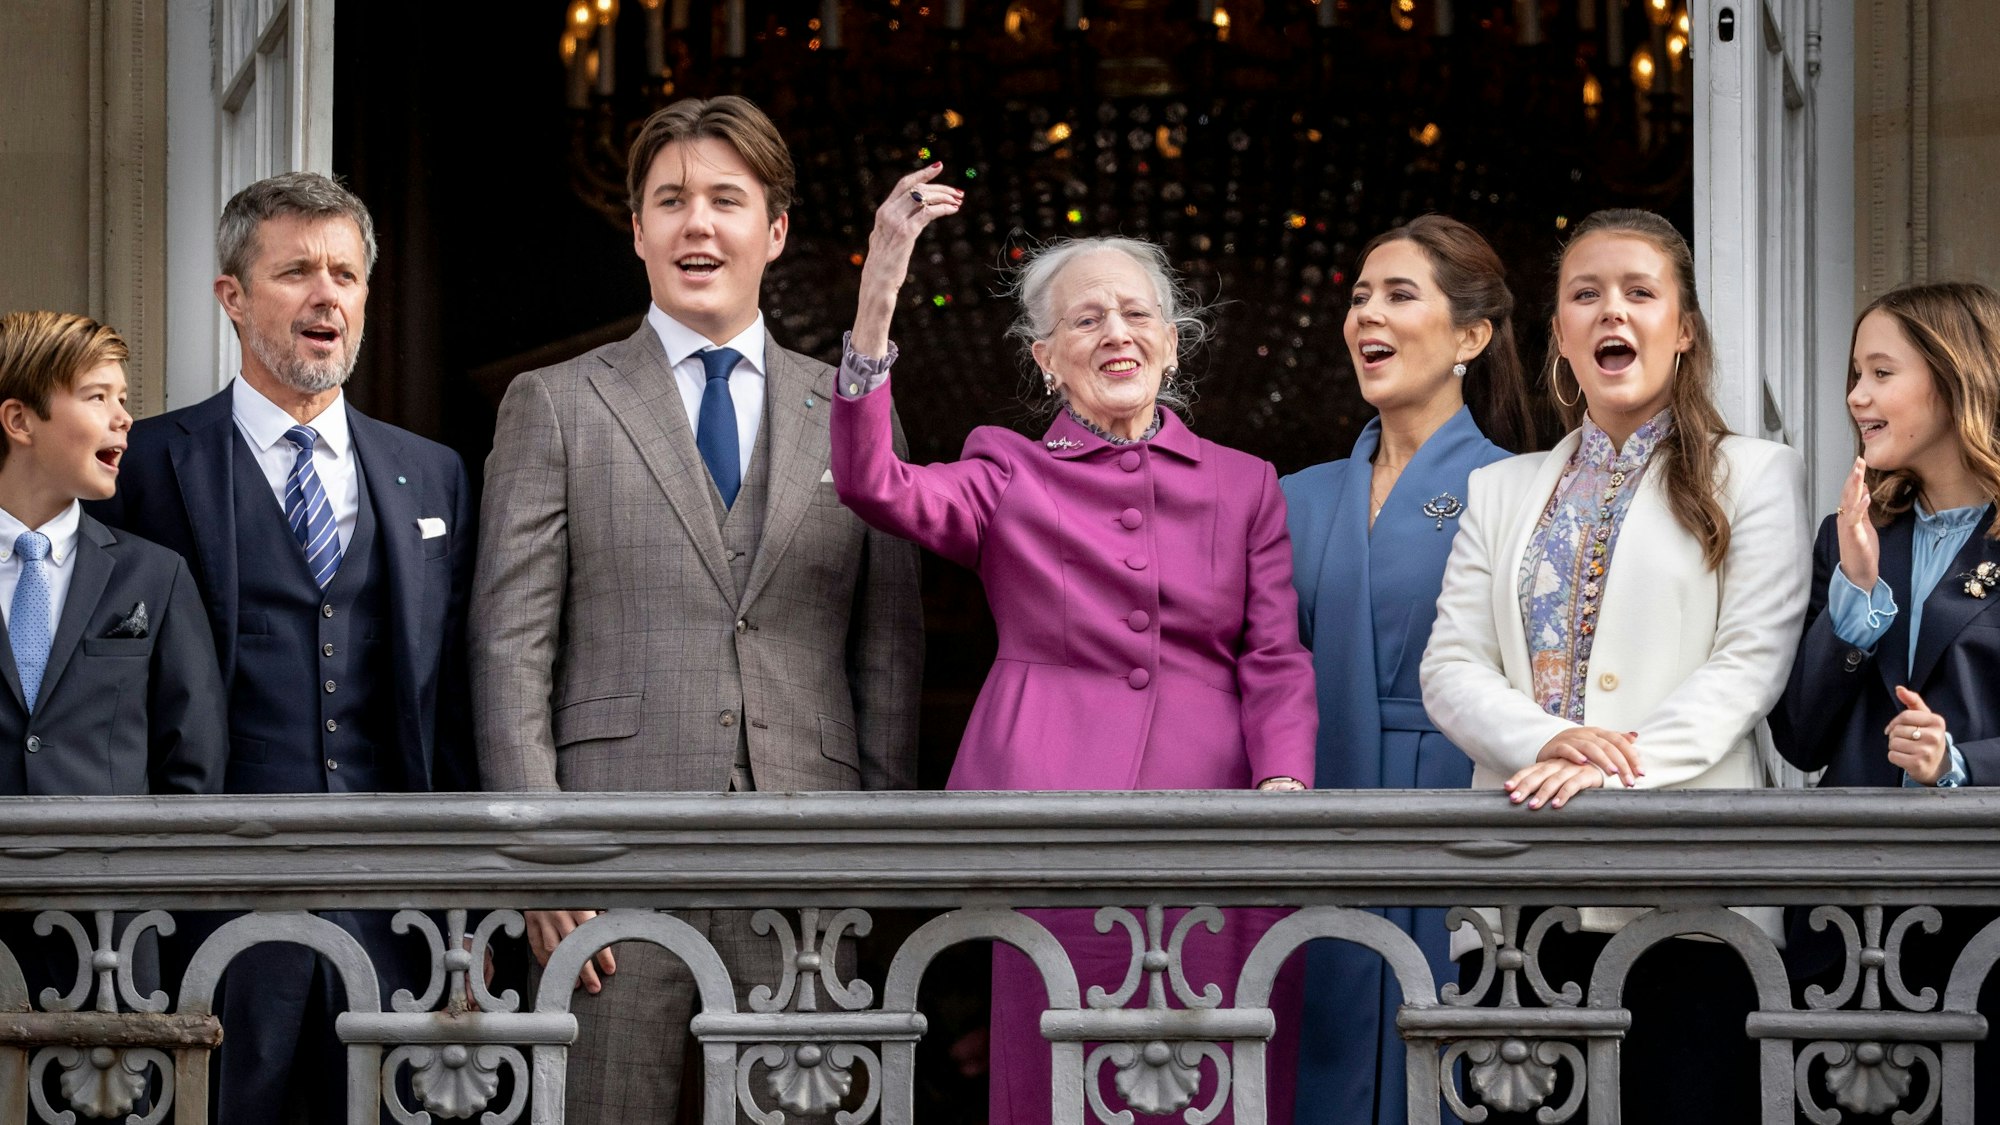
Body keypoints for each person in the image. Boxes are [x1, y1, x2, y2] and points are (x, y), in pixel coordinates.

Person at [830, 165, 1317, 1124]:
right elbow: (873, 482)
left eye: (1136, 315)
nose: (1115, 333)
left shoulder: (1245, 482)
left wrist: (1284, 784)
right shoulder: (1005, 470)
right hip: (1054, 821)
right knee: (1062, 1079)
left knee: (1222, 1079)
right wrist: (879, 294)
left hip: (1224, 821)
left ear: (1172, 343)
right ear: (1046, 359)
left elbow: (1273, 654)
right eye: (1086, 320)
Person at [471, 95, 923, 1124]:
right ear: (636, 230)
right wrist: (540, 855)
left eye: (726, 199)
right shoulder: (557, 402)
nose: (697, 224)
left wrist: (881, 850)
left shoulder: (854, 411)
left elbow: (889, 655)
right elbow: (509, 646)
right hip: (603, 857)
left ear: (775, 230)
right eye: (670, 201)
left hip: (808, 852)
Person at [88, 171, 478, 1125]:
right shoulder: (146, 464)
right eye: (296, 271)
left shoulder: (431, 472)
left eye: (345, 274)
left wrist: (473, 900)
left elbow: (457, 703)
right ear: (232, 295)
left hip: (395, 911)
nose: (326, 295)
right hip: (213, 906)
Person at [1418, 209, 1811, 1123]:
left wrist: (1609, 769)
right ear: (1560, 334)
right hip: (1520, 891)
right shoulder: (1499, 488)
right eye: (1585, 295)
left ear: (1685, 329)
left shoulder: (1757, 475)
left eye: (1641, 292)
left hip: (1689, 891)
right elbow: (1452, 665)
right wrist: (1551, 743)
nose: (1612, 312)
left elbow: (1749, 664)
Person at [1282, 216, 1534, 1125]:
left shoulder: (1522, 488)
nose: (1367, 315)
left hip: (1460, 816)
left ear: (1471, 336)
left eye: (1398, 294)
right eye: (1359, 298)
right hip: (1313, 817)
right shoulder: (1295, 496)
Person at [1771, 281, 2000, 1107]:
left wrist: (1960, 763)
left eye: (1880, 372)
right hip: (1849, 928)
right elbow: (1799, 735)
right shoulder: (1850, 536)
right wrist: (1858, 596)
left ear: (1955, 376)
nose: (1856, 397)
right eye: (1853, 375)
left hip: (1982, 926)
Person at [0, 310, 227, 1031]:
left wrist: (152, 912)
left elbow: (193, 768)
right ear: (19, 419)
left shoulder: (154, 576)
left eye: (123, 398)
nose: (124, 418)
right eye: (97, 397)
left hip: (112, 947)